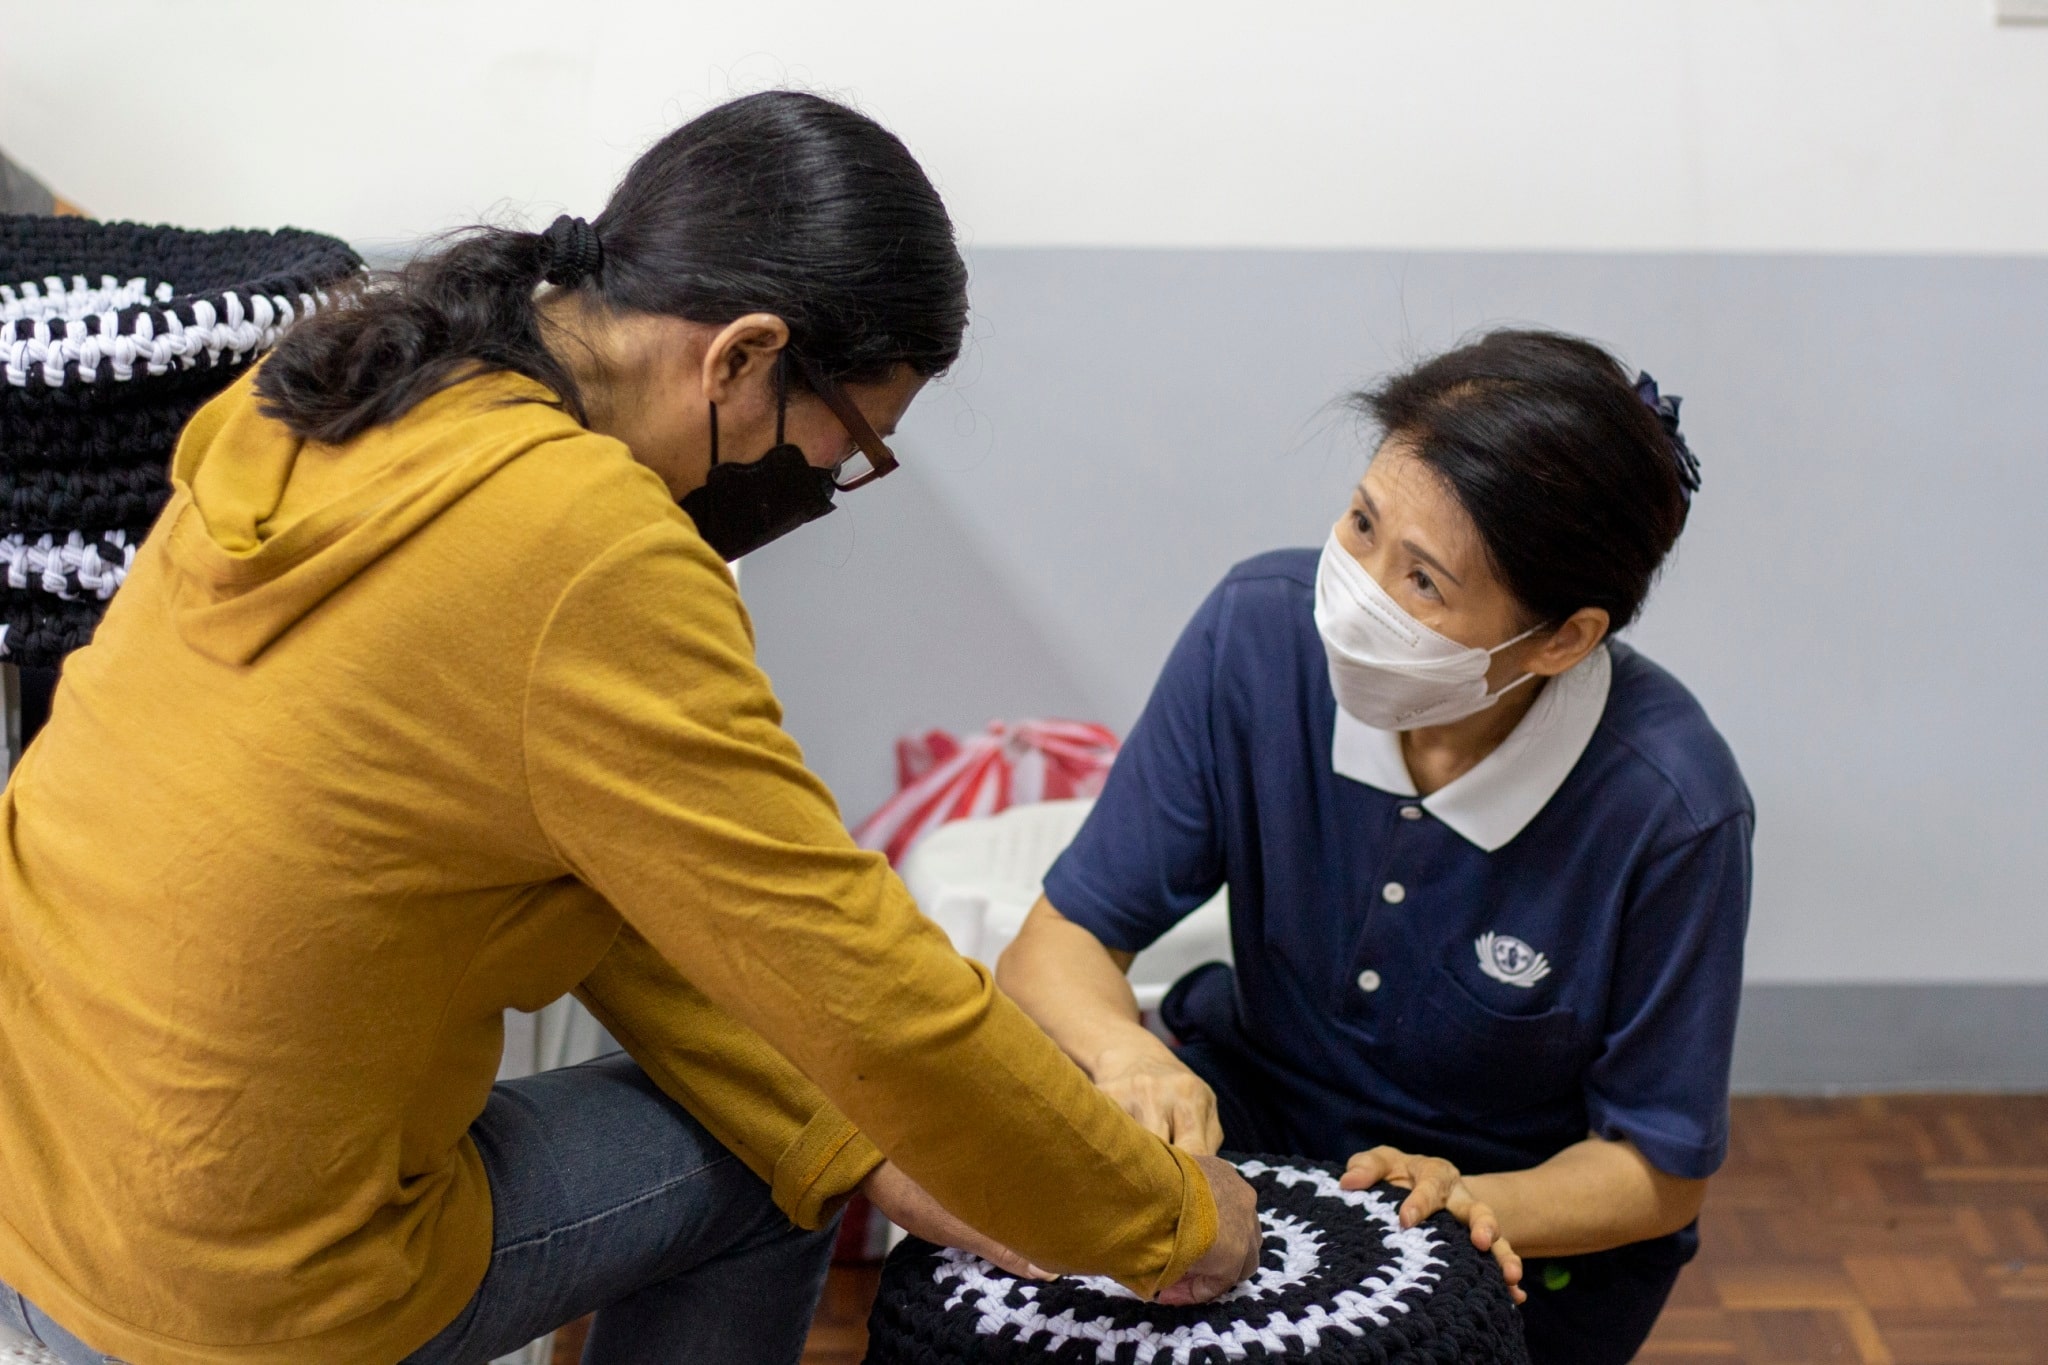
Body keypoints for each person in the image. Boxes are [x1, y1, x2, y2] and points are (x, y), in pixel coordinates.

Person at [0, 91, 1261, 1365]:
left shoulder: (336, 388)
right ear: (743, 355)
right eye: (853, 442)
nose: (825, 479)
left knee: (809, 1122)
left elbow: (643, 899)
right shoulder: (584, 555)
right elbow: (859, 987)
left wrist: (862, 1133)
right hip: (226, 1292)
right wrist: (1158, 1217)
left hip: (41, 1177)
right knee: (781, 1169)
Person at [999, 330, 1753, 1365]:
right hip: (1255, 1133)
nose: (1357, 592)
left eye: (1425, 584)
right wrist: (1127, 1055)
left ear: (1561, 641)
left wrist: (1466, 1200)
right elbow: (1057, 940)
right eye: (1360, 524)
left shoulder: (1668, 808)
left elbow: (1655, 1170)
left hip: (1507, 1215)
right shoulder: (1255, 639)